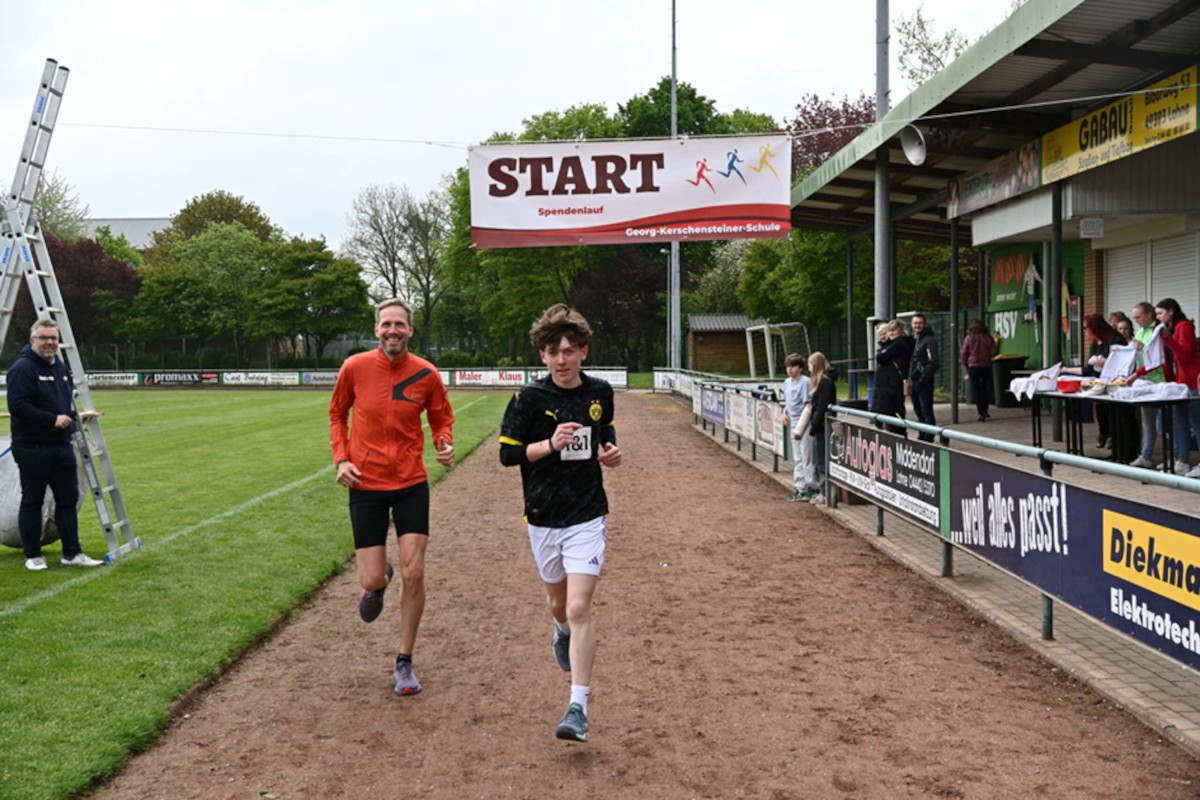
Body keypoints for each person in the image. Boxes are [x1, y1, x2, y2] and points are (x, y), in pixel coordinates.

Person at [499, 304, 621, 743]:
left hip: (587, 512)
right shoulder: (528, 399)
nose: (562, 358)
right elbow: (508, 455)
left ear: (584, 352)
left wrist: (610, 451)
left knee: (579, 606)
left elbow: (605, 432)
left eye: (570, 350)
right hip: (543, 516)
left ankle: (578, 707)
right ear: (543, 356)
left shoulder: (601, 391)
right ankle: (561, 633)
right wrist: (549, 445)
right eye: (554, 352)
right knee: (558, 607)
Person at [328, 298, 455, 696]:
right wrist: (341, 459)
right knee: (370, 575)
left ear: (410, 330)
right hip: (365, 483)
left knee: (415, 572)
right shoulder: (354, 368)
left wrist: (444, 441)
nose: (393, 331)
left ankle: (404, 661)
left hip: (410, 482)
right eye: (386, 324)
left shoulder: (426, 374)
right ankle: (377, 580)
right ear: (376, 329)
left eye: (400, 324)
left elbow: (441, 416)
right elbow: (336, 414)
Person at [6, 319, 105, 571]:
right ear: (32, 341)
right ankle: (33, 555)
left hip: (61, 446)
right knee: (33, 500)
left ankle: (72, 552)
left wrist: (70, 420)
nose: (50, 342)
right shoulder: (23, 368)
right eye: (44, 338)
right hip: (33, 447)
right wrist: (51, 420)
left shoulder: (59, 366)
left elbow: (65, 401)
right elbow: (17, 406)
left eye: (53, 338)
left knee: (68, 499)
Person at [1154, 298, 1200, 477]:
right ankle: (1182, 460)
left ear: (1171, 311)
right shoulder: (1173, 329)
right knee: (1179, 422)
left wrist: (1168, 339)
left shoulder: (1184, 327)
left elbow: (1186, 354)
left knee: (1196, 423)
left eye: (1160, 313)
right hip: (1180, 384)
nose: (1158, 317)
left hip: (1191, 384)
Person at [1126, 302, 1169, 469]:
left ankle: (1173, 456)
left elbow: (1157, 357)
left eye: (1138, 317)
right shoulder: (1140, 332)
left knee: (1167, 423)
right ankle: (1145, 455)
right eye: (1134, 317)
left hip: (1160, 381)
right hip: (1144, 381)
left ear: (1148, 315)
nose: (1136, 320)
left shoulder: (1158, 330)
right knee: (1148, 422)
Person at [782, 353, 815, 502]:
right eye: (788, 366)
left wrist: (800, 428)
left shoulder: (805, 382)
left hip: (804, 425)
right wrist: (784, 411)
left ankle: (811, 488)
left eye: (793, 366)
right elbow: (788, 402)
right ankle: (800, 487)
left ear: (800, 368)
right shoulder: (787, 382)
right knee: (798, 458)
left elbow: (808, 405)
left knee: (807, 457)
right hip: (793, 424)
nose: (790, 369)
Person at [807, 351, 838, 507]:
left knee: (822, 458)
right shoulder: (820, 381)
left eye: (810, 364)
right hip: (820, 424)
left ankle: (825, 493)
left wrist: (814, 426)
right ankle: (822, 490)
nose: (808, 367)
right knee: (818, 458)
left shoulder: (825, 382)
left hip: (823, 425)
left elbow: (822, 406)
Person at [872, 319, 913, 435]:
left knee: (892, 413)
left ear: (901, 331)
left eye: (894, 330)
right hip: (888, 385)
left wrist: (884, 350)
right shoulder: (895, 344)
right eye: (890, 331)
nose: (891, 333)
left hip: (891, 385)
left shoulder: (899, 344)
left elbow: (881, 357)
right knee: (890, 413)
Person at [908, 313, 940, 442]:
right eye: (915, 323)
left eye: (920, 323)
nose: (917, 325)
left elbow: (934, 362)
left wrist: (923, 377)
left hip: (923, 382)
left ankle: (929, 437)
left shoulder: (929, 340)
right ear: (912, 324)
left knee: (926, 410)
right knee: (918, 410)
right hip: (913, 380)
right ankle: (922, 434)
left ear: (924, 324)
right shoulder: (914, 340)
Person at [961, 320, 996, 422]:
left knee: (976, 389)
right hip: (986, 365)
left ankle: (981, 411)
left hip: (973, 366)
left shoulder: (969, 338)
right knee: (984, 387)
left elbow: (964, 352)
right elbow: (994, 352)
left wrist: (965, 363)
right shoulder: (988, 338)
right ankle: (985, 409)